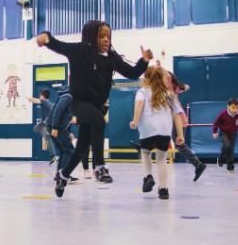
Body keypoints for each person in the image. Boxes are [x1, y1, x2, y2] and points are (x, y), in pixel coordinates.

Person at [36, 20, 152, 197]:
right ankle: (99, 166)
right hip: (80, 102)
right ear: (92, 37)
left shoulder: (111, 58)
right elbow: (59, 46)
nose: (106, 40)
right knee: (98, 121)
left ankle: (62, 175)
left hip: (97, 105)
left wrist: (144, 61)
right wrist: (46, 37)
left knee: (82, 147)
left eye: (108, 36)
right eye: (102, 36)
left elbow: (132, 73)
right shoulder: (79, 51)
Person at [130, 66, 185, 200]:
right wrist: (180, 135)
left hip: (147, 130)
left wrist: (135, 121)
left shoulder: (142, 92)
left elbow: (139, 104)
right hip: (164, 130)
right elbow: (177, 115)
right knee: (161, 159)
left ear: (146, 79)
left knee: (146, 153)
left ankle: (148, 176)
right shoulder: (168, 94)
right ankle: (163, 190)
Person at [212, 97, 238, 173]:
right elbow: (216, 123)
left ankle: (230, 167)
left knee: (231, 150)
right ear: (228, 106)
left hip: (233, 134)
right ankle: (220, 160)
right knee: (227, 146)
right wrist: (214, 132)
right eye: (233, 108)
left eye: (237, 108)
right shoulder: (223, 113)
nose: (235, 110)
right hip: (224, 133)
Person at [28, 89, 58, 165]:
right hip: (45, 123)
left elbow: (36, 100)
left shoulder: (44, 101)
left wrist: (29, 99)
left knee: (47, 138)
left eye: (40, 95)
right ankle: (53, 156)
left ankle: (53, 156)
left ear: (42, 95)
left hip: (47, 124)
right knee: (35, 128)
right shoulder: (49, 103)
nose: (39, 96)